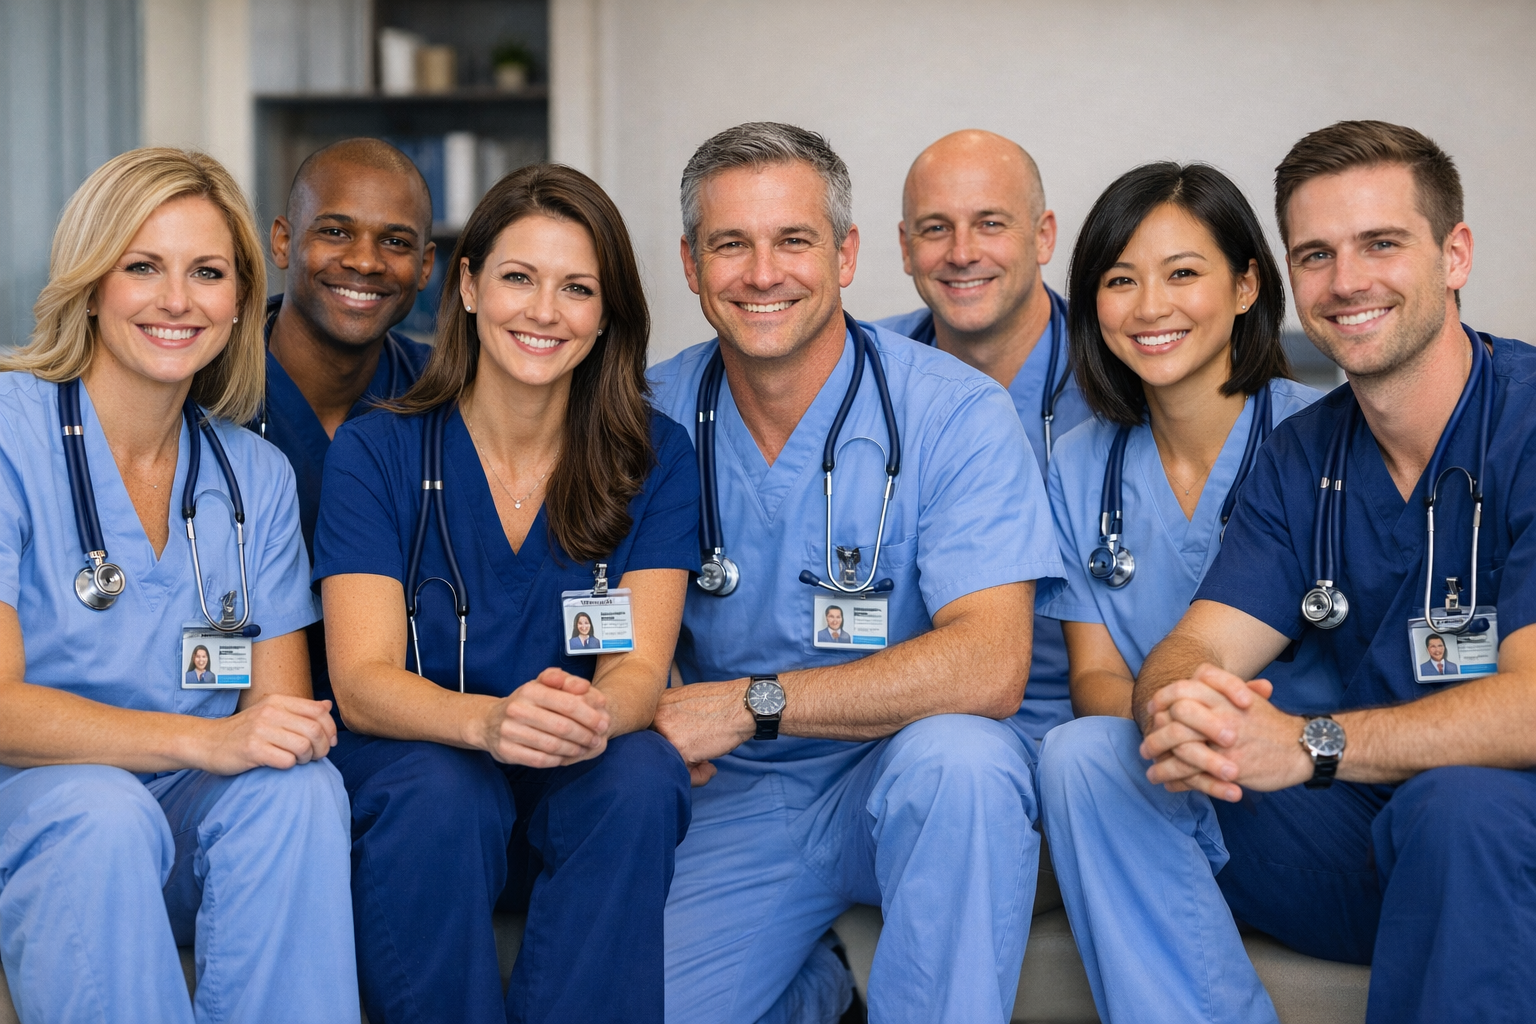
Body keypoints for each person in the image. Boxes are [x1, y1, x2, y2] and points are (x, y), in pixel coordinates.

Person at [1037, 120, 1536, 1024]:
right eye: (1317, 253)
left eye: (1381, 244)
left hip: (1493, 841)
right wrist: (1185, 706)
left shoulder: (1526, 425)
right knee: (1090, 758)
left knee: (1457, 806)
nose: (1346, 281)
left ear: (1454, 253)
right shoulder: (1307, 455)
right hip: (1348, 831)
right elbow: (1197, 644)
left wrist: (1310, 745)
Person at [649, 122, 1065, 1024]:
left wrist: (746, 701)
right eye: (732, 244)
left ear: (845, 254)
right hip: (738, 793)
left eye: (793, 240)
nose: (764, 274)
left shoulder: (956, 413)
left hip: (900, 772)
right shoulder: (646, 411)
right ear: (690, 263)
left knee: (965, 759)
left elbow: (991, 666)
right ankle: (819, 990)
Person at [314, 163, 697, 1024]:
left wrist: (594, 716)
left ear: (605, 319)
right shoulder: (377, 454)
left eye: (577, 289)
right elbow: (364, 678)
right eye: (519, 277)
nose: (544, 311)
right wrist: (486, 723)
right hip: (426, 774)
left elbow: (638, 667)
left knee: (641, 773)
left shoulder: (654, 459)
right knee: (443, 791)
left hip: (577, 772)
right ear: (470, 286)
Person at [0, 148, 355, 1023]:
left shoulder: (253, 477)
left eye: (206, 272)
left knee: (298, 786)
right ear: (90, 284)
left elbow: (272, 719)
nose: (176, 300)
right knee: (103, 808)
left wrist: (257, 741)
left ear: (240, 301)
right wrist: (200, 743)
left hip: (182, 817)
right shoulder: (11, 438)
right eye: (142, 268)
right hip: (40, 807)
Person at [1039, 162, 1320, 721]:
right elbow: (1096, 676)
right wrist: (1180, 729)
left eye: (1182, 274)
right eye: (1121, 280)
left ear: (1246, 286)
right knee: (1075, 751)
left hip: (1290, 760)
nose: (1149, 307)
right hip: (1151, 741)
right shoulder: (1077, 462)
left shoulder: (1322, 436)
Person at [877, 130, 1092, 740]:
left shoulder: (1124, 367)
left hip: (1091, 709)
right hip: (920, 713)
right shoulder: (857, 373)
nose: (962, 253)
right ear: (904, 245)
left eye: (991, 223)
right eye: (935, 228)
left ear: (1044, 234)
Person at [258, 138, 437, 706]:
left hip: (404, 714)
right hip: (241, 710)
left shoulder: (448, 396)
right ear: (284, 242)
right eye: (335, 231)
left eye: (395, 241)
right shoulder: (204, 385)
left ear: (426, 266)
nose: (365, 260)